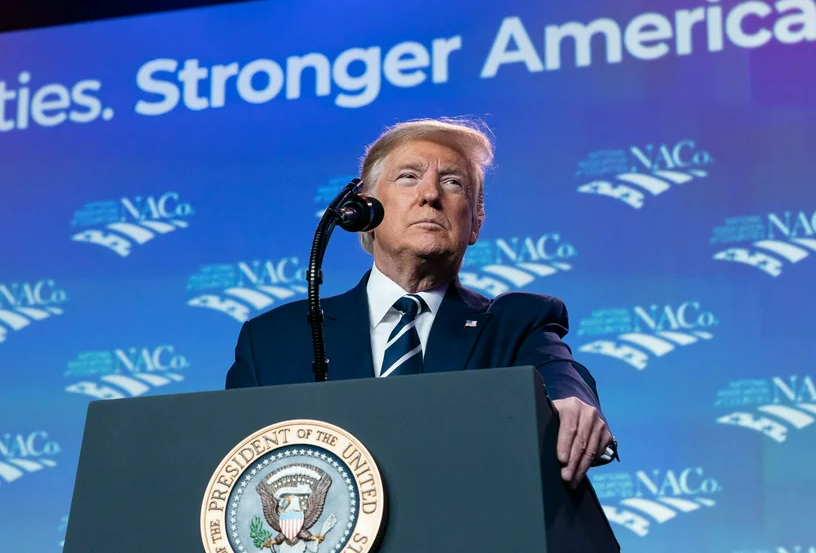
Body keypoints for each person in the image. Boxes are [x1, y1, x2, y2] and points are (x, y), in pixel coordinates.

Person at [225, 117, 616, 487]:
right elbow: (232, 468)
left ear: (475, 222)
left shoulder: (515, 324)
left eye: (453, 183)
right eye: (409, 177)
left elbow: (562, 375)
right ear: (364, 211)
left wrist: (572, 402)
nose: (430, 195)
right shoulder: (272, 340)